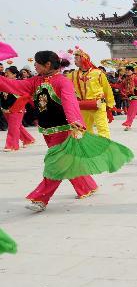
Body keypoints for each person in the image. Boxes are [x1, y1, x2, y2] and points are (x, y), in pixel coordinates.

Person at [0, 51, 98, 212]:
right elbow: (15, 86)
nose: (34, 66)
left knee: (55, 164)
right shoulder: (36, 81)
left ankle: (41, 198)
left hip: (63, 130)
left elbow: (69, 102)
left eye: (37, 63)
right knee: (67, 161)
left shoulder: (62, 82)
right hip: (47, 130)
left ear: (47, 65)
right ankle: (86, 186)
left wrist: (75, 121)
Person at [68, 48, 115, 138]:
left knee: (102, 128)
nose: (74, 61)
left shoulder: (98, 73)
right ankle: (90, 147)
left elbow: (107, 88)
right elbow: (64, 85)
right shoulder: (73, 74)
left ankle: (104, 147)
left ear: (84, 59)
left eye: (76, 59)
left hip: (98, 104)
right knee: (84, 128)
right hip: (82, 105)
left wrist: (110, 103)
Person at [1, 65, 35, 151]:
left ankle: (12, 145)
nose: (6, 75)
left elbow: (26, 95)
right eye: (5, 73)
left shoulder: (19, 83)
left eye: (8, 73)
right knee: (17, 126)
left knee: (13, 127)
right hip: (6, 109)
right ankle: (28, 139)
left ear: (14, 75)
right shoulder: (3, 83)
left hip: (17, 108)